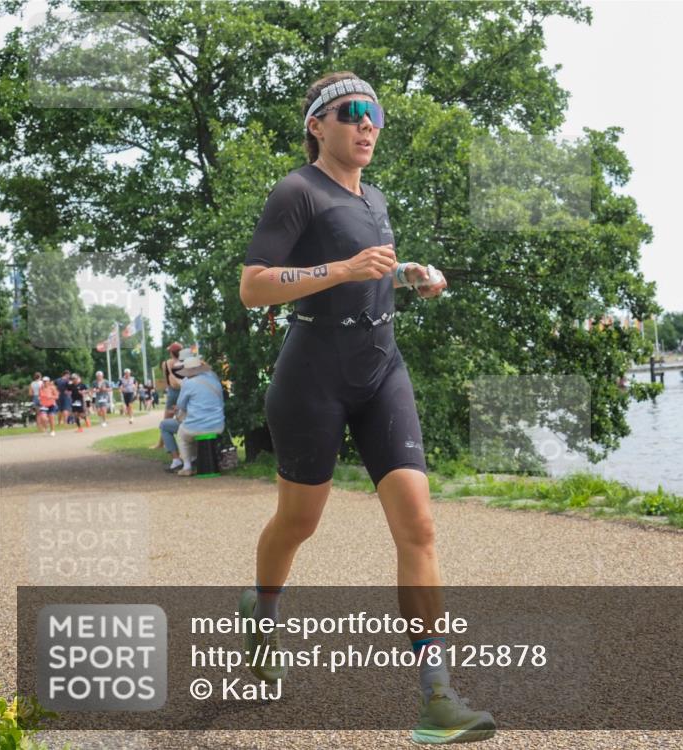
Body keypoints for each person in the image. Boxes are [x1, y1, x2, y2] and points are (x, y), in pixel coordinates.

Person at [239, 71, 492, 745]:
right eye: (352, 111)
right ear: (317, 125)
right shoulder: (297, 191)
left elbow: (371, 271)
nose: (367, 124)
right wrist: (343, 270)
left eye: (375, 114)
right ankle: (261, 609)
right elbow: (254, 287)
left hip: (381, 369)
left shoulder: (374, 197)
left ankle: (437, 697)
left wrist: (409, 274)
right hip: (312, 375)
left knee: (419, 527)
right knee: (299, 522)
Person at [157, 352, 225, 476]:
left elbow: (181, 405)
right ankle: (195, 458)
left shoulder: (188, 383)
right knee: (190, 429)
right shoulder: (214, 378)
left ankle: (187, 466)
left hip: (197, 426)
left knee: (182, 435)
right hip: (218, 424)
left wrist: (177, 409)